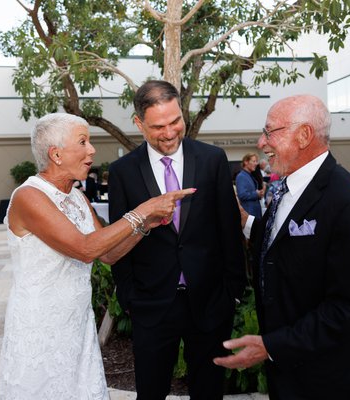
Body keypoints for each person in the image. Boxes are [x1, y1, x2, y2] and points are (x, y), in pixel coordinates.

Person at [0, 112, 193, 400]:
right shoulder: (29, 197)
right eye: (83, 142)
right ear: (57, 154)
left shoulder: (77, 196)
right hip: (41, 325)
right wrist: (142, 211)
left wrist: (146, 225)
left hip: (76, 322)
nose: (92, 150)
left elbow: (109, 253)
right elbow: (85, 249)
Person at [214, 94, 350, 400]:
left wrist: (272, 346)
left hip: (329, 381)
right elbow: (280, 242)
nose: (261, 142)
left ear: (304, 135)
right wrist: (245, 221)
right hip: (289, 373)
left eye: (270, 132)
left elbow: (348, 310)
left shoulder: (348, 202)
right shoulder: (288, 184)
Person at [108, 80, 246, 400]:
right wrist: (130, 297)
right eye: (158, 126)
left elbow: (228, 229)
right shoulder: (123, 172)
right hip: (152, 305)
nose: (170, 133)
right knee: (151, 392)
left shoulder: (212, 159)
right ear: (139, 124)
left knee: (209, 391)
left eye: (176, 121)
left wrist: (232, 292)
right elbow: (120, 239)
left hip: (210, 303)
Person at [236, 153, 265, 218]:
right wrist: (256, 194)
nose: (256, 164)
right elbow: (242, 195)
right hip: (249, 214)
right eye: (254, 161)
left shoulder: (249, 175)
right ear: (246, 162)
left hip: (254, 213)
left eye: (256, 161)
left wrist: (259, 194)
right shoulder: (241, 176)